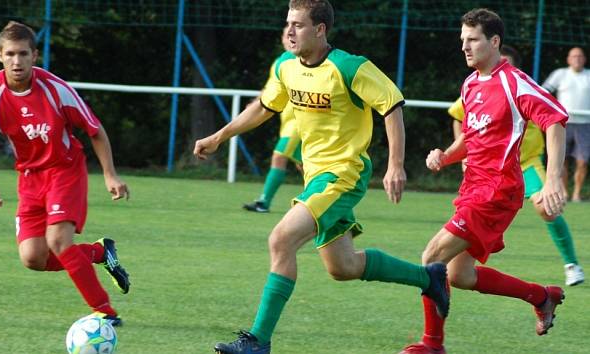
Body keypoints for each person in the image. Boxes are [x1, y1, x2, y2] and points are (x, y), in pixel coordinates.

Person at [195, 1, 449, 353]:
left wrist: (396, 164)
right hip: (315, 177)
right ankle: (429, 278)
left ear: (320, 29)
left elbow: (392, 105)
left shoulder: (349, 66)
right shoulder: (288, 68)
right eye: (288, 24)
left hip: (344, 174)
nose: (289, 31)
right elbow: (264, 107)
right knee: (342, 266)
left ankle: (258, 342)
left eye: (298, 25)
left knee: (280, 239)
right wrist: (219, 136)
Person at [401, 9, 568, 354]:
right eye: (462, 40)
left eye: (473, 39)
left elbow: (554, 121)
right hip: (474, 188)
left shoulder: (514, 82)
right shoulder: (471, 83)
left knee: (431, 255)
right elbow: (471, 137)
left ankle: (433, 345)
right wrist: (445, 156)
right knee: (458, 276)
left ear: (494, 42)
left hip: (497, 190)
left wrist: (553, 179)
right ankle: (542, 296)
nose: (465, 46)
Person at [0, 21, 131, 326]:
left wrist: (110, 175)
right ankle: (98, 252)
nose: (17, 61)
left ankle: (105, 311)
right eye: (11, 54)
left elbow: (94, 130)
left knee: (58, 241)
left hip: (65, 170)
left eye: (23, 54)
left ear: (35, 56)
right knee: (33, 258)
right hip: (29, 178)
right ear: (0, 55)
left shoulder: (56, 89)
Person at [447, 45, 584, 287]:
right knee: (453, 267)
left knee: (547, 208)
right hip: (490, 171)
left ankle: (571, 264)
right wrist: (456, 155)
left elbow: (554, 121)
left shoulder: (521, 87)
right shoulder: (476, 85)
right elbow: (460, 117)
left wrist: (553, 179)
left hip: (526, 164)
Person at [244, 29, 302, 213]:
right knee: (306, 167)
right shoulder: (281, 63)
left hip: (300, 124)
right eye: (286, 34)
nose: (290, 37)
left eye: (295, 32)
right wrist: (255, 105)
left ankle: (264, 201)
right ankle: (330, 203)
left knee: (279, 156)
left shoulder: (309, 61)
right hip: (287, 123)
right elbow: (271, 91)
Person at [543, 47, 590, 202]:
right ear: (568, 59)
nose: (577, 58)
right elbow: (544, 92)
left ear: (584, 59)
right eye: (574, 56)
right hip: (562, 124)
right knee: (560, 159)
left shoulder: (588, 76)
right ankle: (563, 193)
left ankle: (576, 194)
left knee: (582, 161)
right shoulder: (560, 74)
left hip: (585, 124)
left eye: (580, 56)